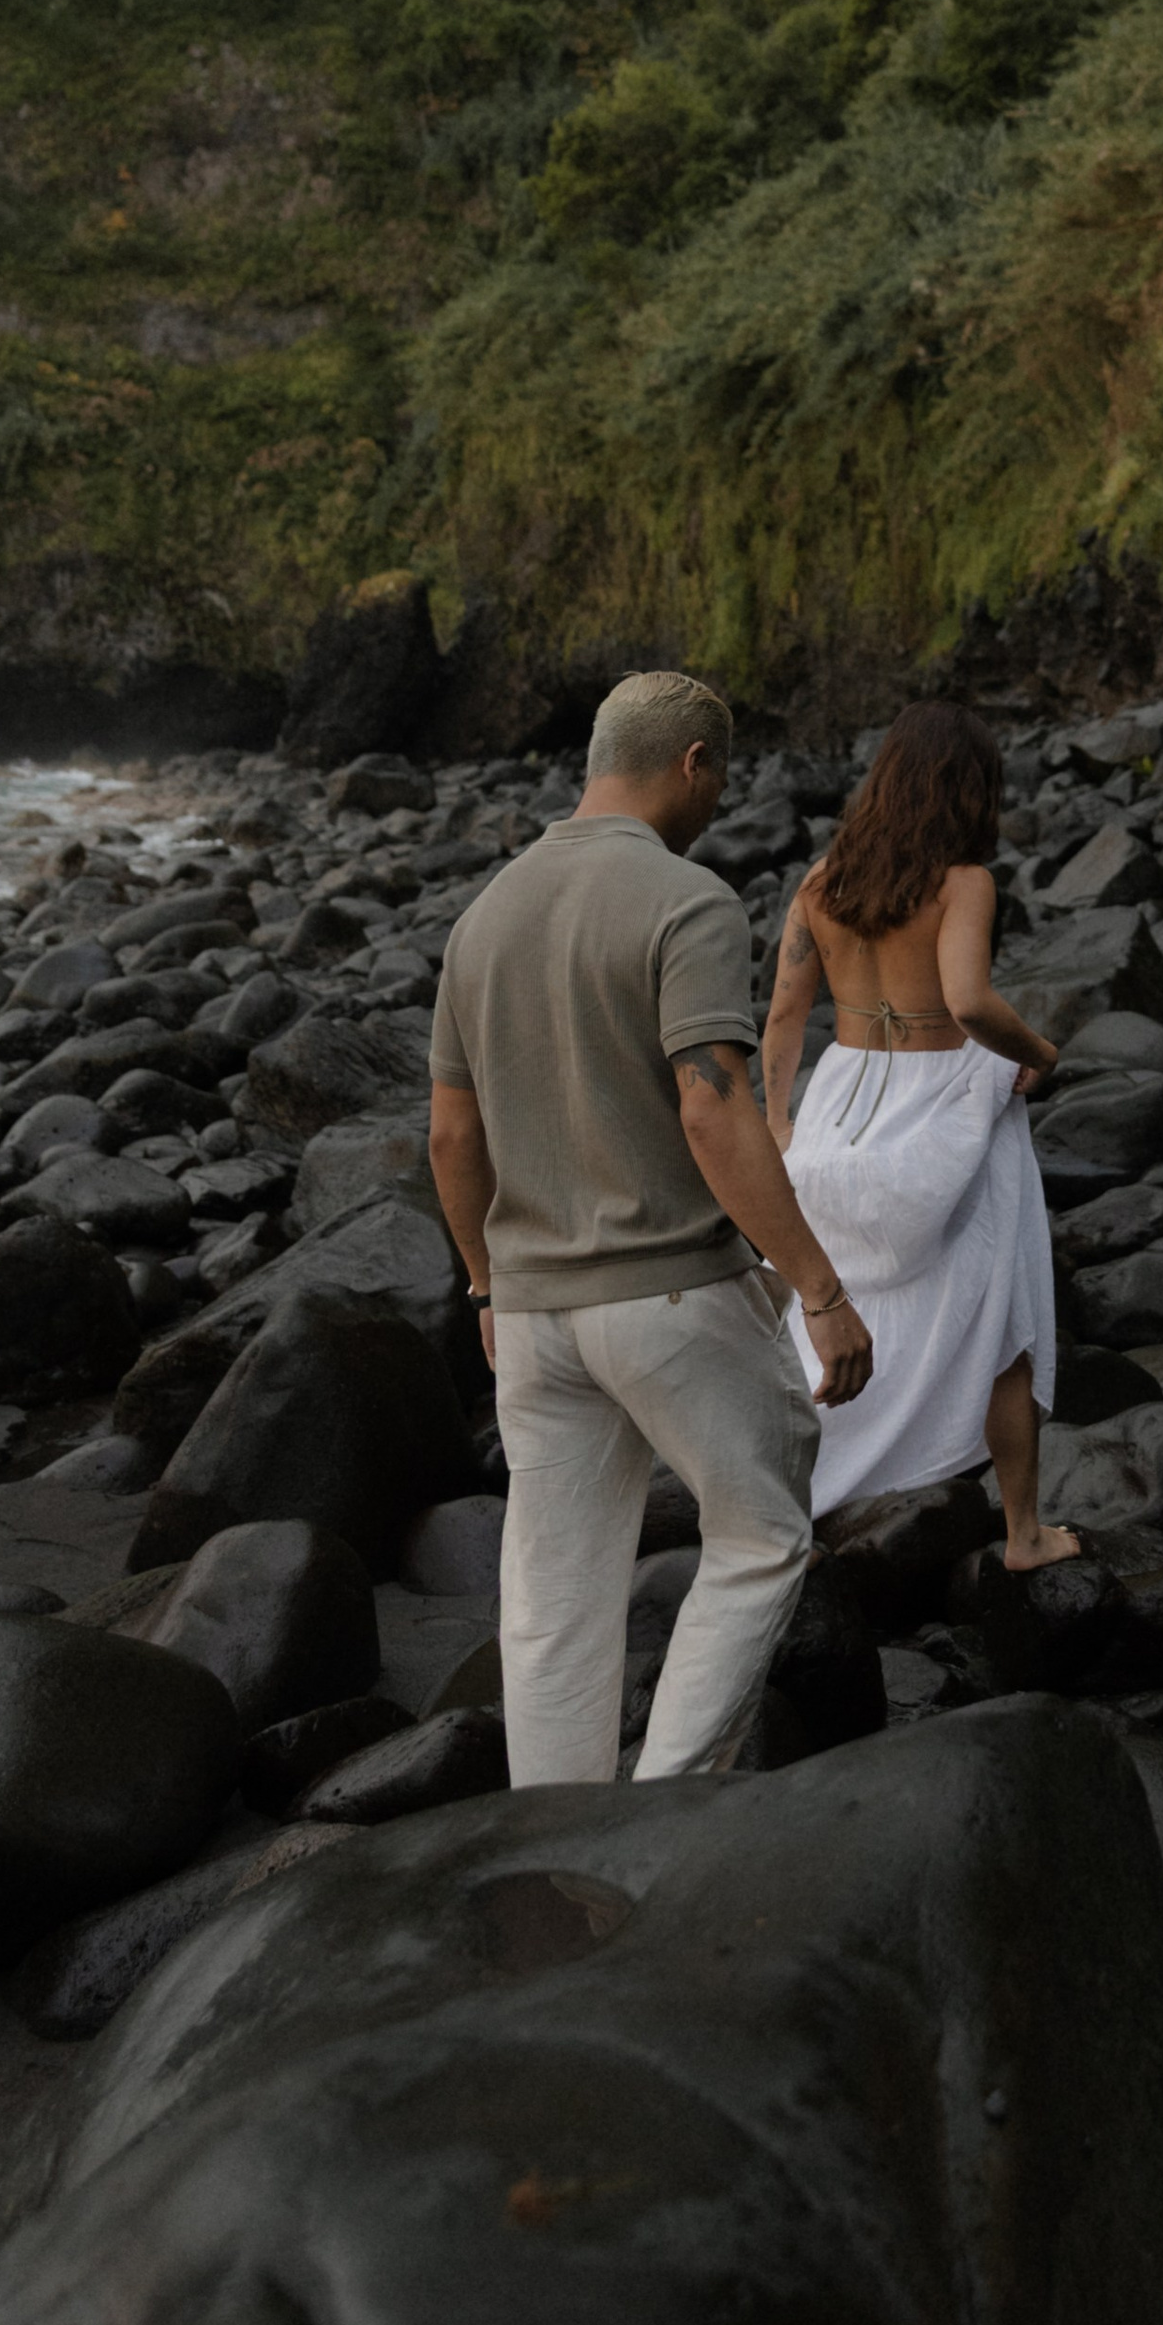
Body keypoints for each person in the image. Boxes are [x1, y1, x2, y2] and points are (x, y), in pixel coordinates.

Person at [426, 668, 873, 1787]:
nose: (719, 799)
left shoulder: (482, 919)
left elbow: (448, 1137)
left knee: (552, 1590)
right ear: (693, 764)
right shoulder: (688, 899)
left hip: (531, 1314)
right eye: (719, 776)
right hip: (668, 1293)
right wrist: (817, 1286)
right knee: (762, 1530)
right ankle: (667, 1800)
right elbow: (714, 1106)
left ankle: (557, 1821)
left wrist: (483, 1281)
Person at [761, 700, 1076, 1568]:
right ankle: (1022, 1535)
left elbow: (785, 1011)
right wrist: (1041, 1053)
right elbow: (970, 1002)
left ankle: (797, 1499)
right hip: (944, 1104)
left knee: (824, 1306)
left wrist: (781, 1124)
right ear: (968, 789)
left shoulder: (822, 882)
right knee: (1002, 1313)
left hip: (842, 1105)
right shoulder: (963, 883)